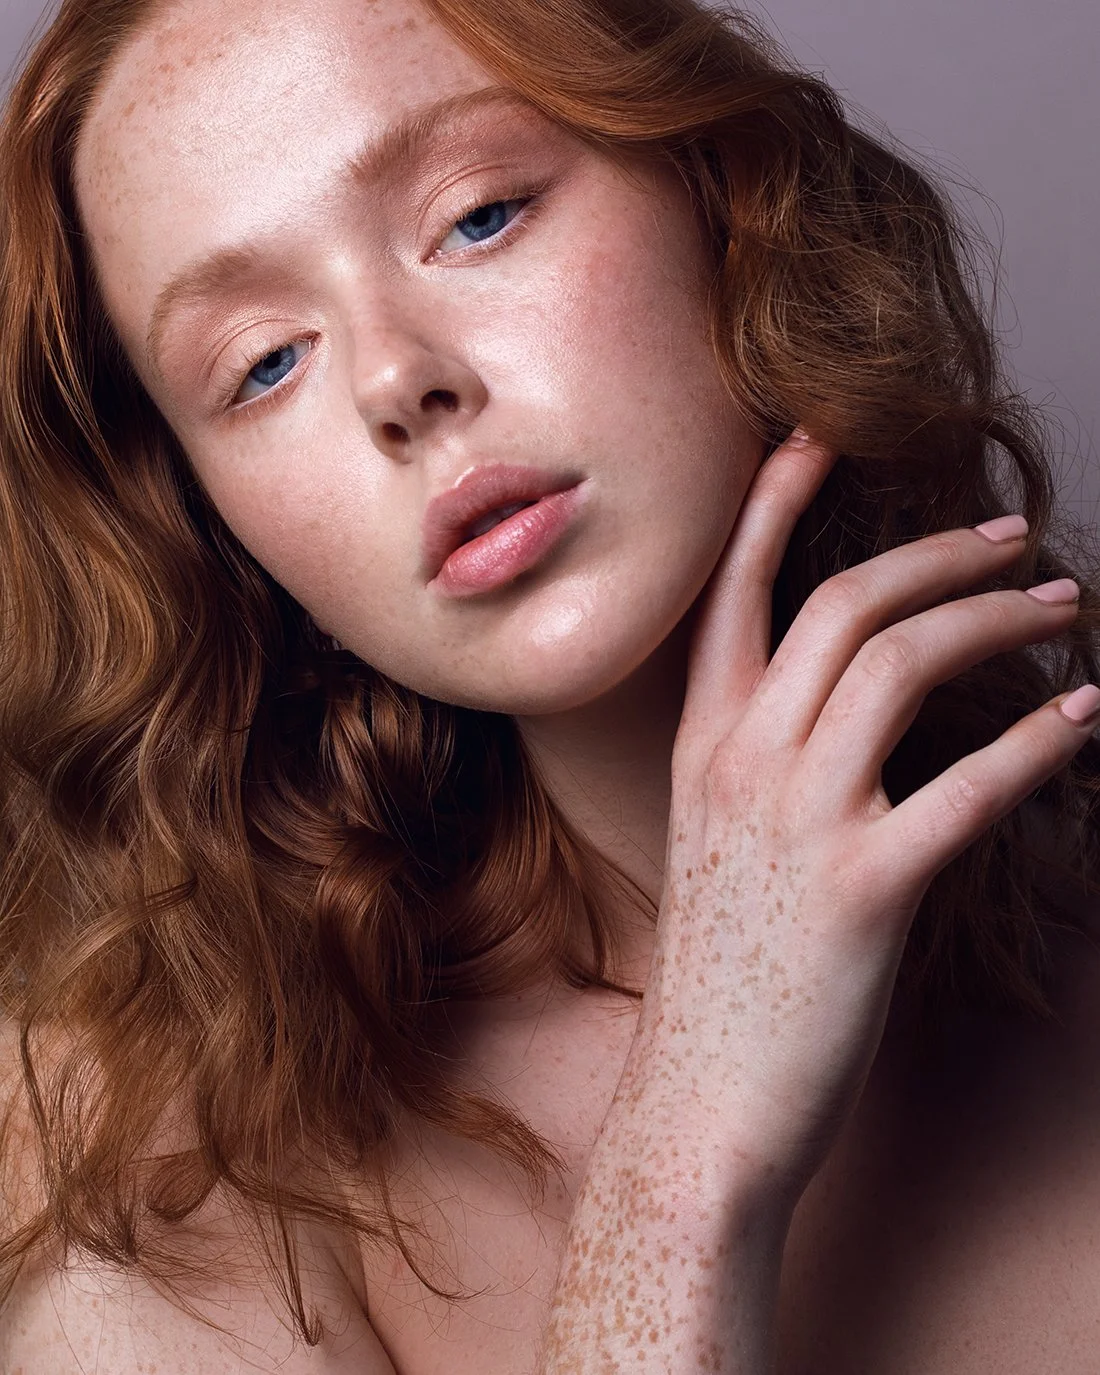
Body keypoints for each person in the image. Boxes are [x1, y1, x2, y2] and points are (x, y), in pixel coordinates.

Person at [1, 0, 1098, 1368]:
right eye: (263, 363)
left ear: (720, 186)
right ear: (218, 526)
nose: (399, 379)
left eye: (478, 215)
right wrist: (685, 1160)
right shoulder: (140, 1148)